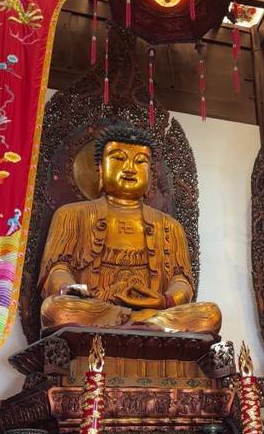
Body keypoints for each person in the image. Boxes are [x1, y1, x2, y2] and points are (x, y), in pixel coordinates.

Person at [38, 121, 221, 335]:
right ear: (99, 169)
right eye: (118, 158)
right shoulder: (71, 214)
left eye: (140, 161)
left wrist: (164, 300)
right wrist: (69, 289)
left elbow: (181, 281)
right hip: (95, 310)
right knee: (57, 309)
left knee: (210, 314)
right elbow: (57, 269)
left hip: (155, 313)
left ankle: (139, 322)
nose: (129, 168)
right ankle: (137, 324)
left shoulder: (170, 227)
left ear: (151, 175)